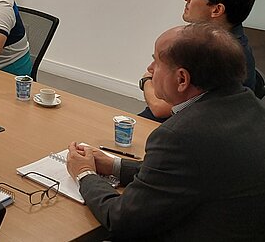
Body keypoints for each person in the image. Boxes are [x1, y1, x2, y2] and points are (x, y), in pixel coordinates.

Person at [65, 23, 265, 241]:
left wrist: (84, 173)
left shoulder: (180, 135)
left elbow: (121, 220)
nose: (150, 68)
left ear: (182, 79)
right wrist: (115, 166)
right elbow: (185, 171)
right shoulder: (251, 105)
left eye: (157, 62)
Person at [140, 0, 259, 122]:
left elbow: (159, 108)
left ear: (217, 10)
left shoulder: (221, 57)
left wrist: (146, 81)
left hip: (177, 130)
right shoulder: (208, 42)